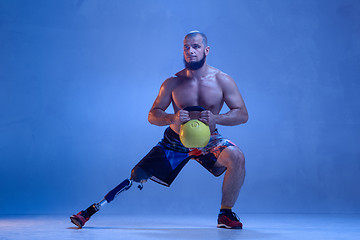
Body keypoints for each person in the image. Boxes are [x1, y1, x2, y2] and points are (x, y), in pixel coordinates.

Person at [70, 31, 248, 229]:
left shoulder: (223, 80)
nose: (190, 51)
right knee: (136, 175)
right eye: (186, 47)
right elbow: (152, 115)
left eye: (196, 46)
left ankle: (225, 213)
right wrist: (171, 117)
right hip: (174, 141)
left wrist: (216, 118)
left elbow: (242, 114)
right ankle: (91, 210)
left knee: (237, 157)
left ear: (206, 50)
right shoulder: (172, 83)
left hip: (208, 141)